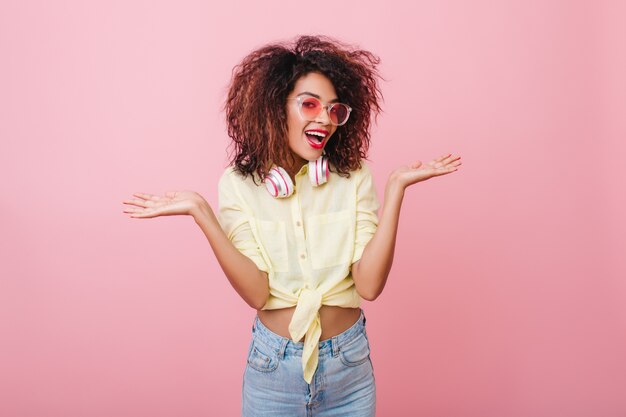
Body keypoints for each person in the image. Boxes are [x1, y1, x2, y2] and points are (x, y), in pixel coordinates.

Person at [122, 35, 461, 417]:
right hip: (272, 369)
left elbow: (369, 285)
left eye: (335, 110)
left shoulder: (353, 177)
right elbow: (256, 293)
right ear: (274, 108)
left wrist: (396, 188)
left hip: (349, 366)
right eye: (310, 105)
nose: (325, 119)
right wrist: (202, 213)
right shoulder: (238, 185)